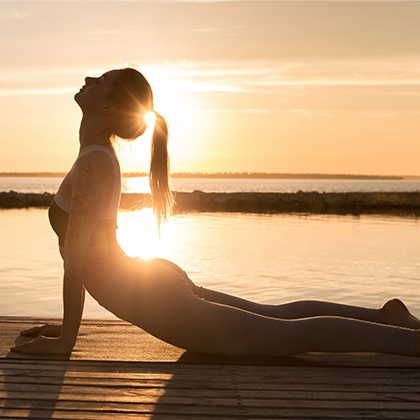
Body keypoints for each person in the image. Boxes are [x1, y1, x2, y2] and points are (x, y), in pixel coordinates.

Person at [11, 67, 420, 357]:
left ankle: (409, 341)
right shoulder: (95, 157)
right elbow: (83, 253)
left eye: (100, 80)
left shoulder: (94, 161)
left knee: (284, 336)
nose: (88, 79)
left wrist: (67, 340)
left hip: (155, 297)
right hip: (149, 279)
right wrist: (66, 327)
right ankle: (386, 317)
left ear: (106, 109)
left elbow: (77, 257)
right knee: (275, 318)